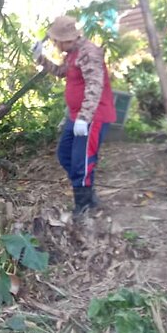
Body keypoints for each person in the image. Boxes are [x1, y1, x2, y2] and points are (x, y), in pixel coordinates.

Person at [33, 15, 118, 214]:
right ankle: (88, 192)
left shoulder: (89, 52)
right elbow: (62, 72)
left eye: (56, 40)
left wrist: (84, 117)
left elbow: (95, 86)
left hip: (92, 116)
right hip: (76, 116)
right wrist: (40, 58)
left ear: (66, 39)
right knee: (65, 155)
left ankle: (83, 206)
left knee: (82, 160)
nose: (54, 43)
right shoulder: (72, 53)